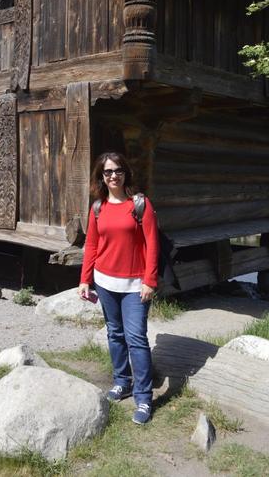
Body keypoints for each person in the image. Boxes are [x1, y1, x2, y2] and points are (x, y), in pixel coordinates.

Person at [78, 152, 160, 425]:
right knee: (115, 334)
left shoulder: (140, 204)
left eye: (118, 171)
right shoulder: (98, 207)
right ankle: (121, 381)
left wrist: (150, 280)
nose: (113, 176)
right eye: (108, 172)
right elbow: (91, 245)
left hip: (136, 285)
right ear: (101, 176)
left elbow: (152, 244)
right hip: (105, 282)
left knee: (136, 338)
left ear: (126, 173)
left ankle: (144, 397)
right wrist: (84, 279)